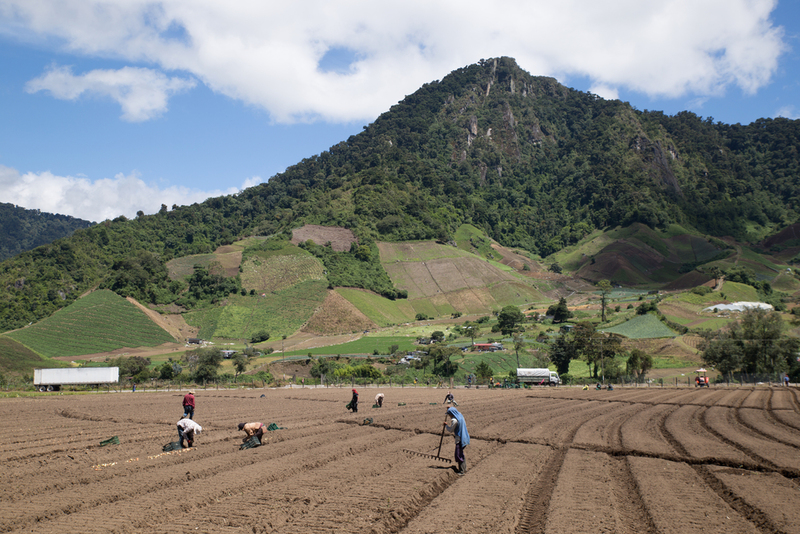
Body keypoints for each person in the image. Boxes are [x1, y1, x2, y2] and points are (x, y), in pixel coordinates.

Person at [443, 407, 469, 475]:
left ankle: (462, 471)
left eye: (449, 414)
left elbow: (451, 430)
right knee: (460, 453)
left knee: (458, 454)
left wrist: (446, 425)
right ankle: (464, 469)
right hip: (464, 436)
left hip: (460, 438)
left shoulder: (454, 420)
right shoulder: (460, 415)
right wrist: (449, 408)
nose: (449, 416)